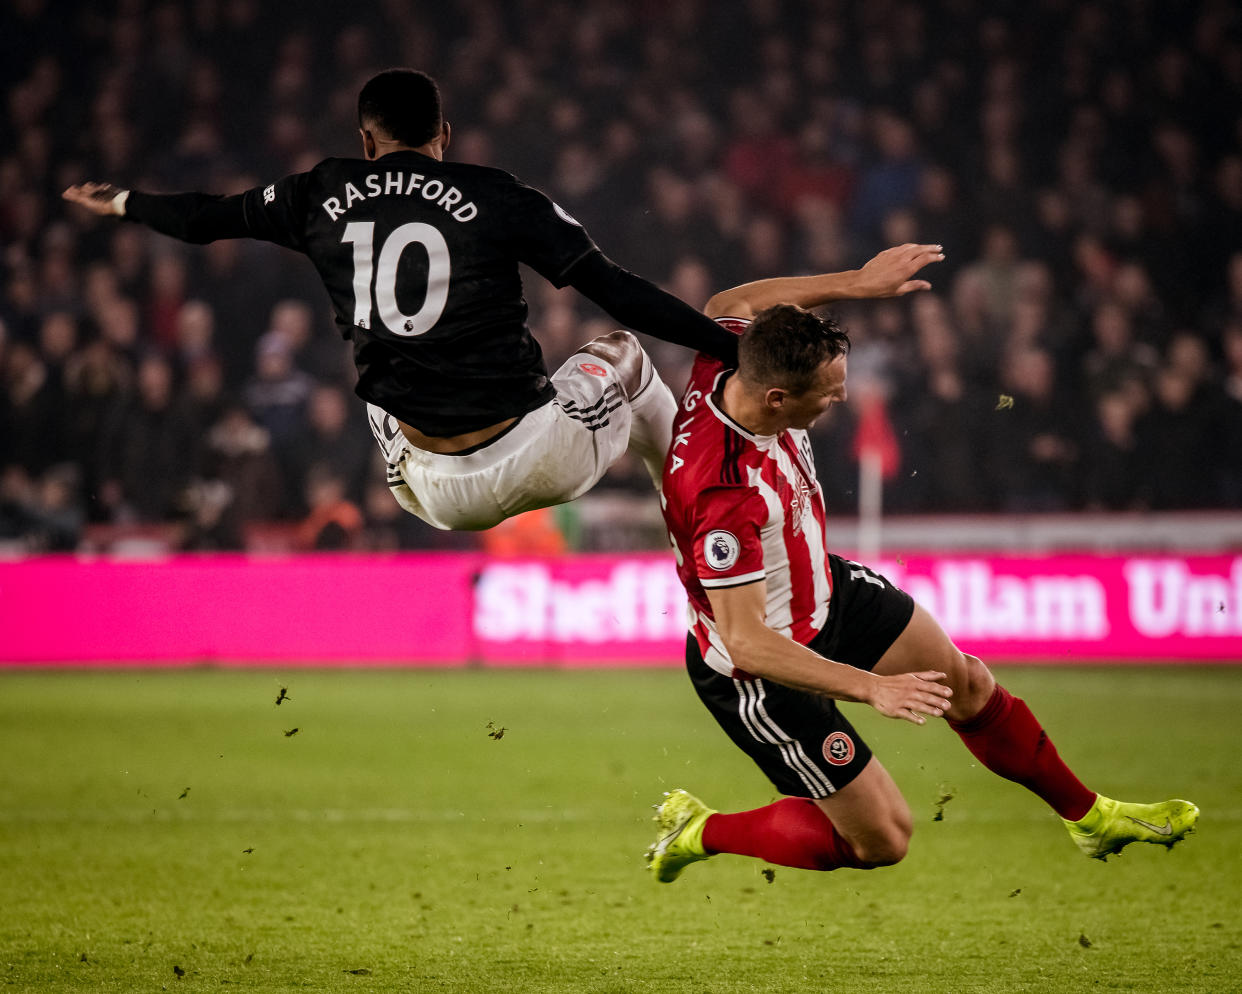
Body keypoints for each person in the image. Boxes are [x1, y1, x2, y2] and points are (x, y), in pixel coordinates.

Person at [647, 260, 1199, 882]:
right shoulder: (724, 495)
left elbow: (734, 296)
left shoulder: (729, 358)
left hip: (825, 593)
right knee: (882, 840)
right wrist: (871, 687)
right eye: (828, 392)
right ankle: (697, 830)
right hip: (763, 668)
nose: (842, 398)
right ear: (778, 397)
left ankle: (1090, 818)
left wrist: (856, 283)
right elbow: (748, 641)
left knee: (966, 682)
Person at [63, 69, 741, 531]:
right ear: (444, 134)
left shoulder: (319, 193)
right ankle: (692, 522)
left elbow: (204, 218)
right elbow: (619, 290)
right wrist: (728, 347)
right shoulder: (498, 194)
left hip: (428, 488)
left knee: (378, 370)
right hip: (534, 453)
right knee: (621, 351)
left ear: (365, 142)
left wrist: (124, 201)